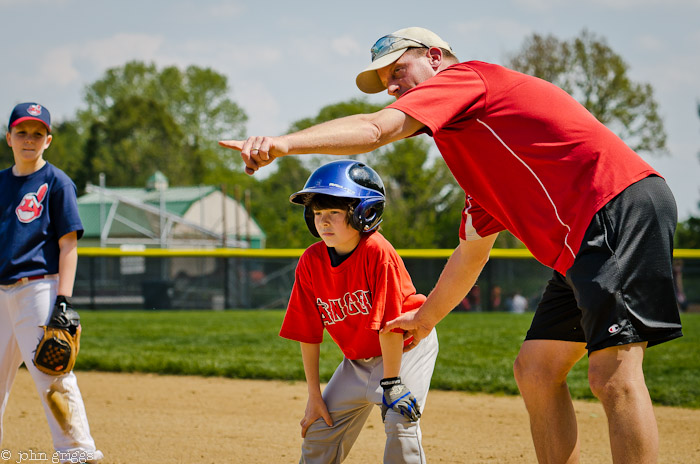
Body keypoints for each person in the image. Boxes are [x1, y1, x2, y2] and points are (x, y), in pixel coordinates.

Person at [220, 26, 683, 463]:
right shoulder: (477, 162)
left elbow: (377, 129)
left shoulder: (467, 78)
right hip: (578, 246)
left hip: (617, 204)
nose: (392, 89)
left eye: (397, 72)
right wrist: (424, 318)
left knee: (612, 376)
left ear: (435, 58)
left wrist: (282, 144)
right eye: (385, 81)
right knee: (536, 371)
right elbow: (471, 253)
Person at [279, 159, 438, 463]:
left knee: (400, 419)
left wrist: (391, 384)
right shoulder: (311, 261)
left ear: (365, 212)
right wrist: (314, 396)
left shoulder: (377, 252)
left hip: (404, 351)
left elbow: (391, 325)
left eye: (334, 213)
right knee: (319, 427)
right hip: (356, 363)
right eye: (317, 214)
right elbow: (308, 333)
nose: (323, 222)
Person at [1, 103, 103, 464]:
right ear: (9, 137)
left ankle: (78, 453)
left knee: (52, 375)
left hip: (38, 289)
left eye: (37, 133)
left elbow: (68, 244)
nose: (29, 140)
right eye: (22, 132)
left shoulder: (56, 182)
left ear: (48, 140)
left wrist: (63, 300)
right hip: (0, 294)